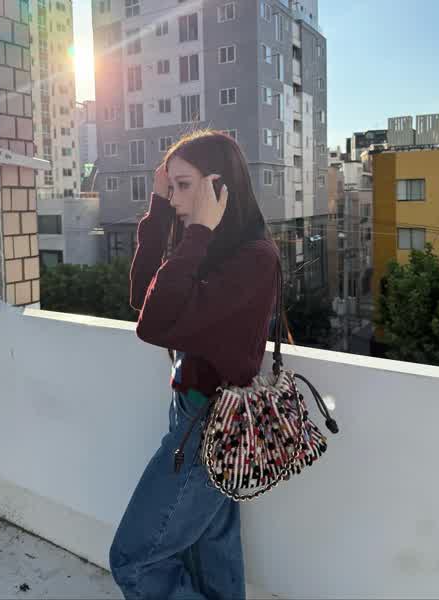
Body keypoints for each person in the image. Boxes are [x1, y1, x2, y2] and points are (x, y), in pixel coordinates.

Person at [109, 130, 282, 600]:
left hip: (211, 425)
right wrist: (161, 211)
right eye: (171, 187)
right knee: (211, 549)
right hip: (191, 413)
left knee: (133, 562)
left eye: (183, 186)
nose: (174, 199)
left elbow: (153, 325)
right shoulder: (207, 250)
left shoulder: (255, 259)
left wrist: (199, 231)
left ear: (219, 188)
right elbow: (142, 295)